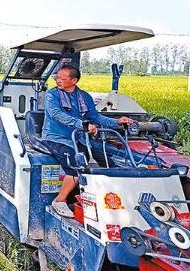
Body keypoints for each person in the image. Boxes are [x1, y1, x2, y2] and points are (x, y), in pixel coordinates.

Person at [42, 65, 134, 218]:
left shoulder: (84, 97)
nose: (57, 80)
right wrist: (83, 125)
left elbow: (96, 117)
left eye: (61, 78)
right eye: (57, 77)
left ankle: (113, 198)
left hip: (78, 138)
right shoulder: (52, 95)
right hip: (55, 138)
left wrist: (117, 122)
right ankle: (59, 200)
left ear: (74, 80)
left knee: (107, 161)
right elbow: (56, 114)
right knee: (77, 163)